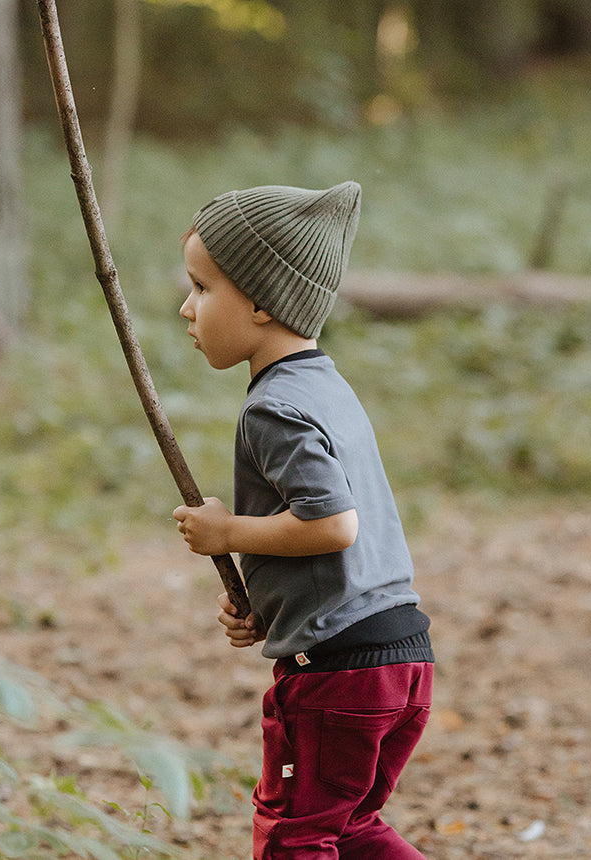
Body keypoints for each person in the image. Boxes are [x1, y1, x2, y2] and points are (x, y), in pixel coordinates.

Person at [173, 181, 434, 859]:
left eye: (202, 289)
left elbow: (332, 524)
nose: (186, 308)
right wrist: (272, 605)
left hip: (336, 676)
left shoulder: (274, 408)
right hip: (398, 659)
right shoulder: (326, 387)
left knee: (295, 838)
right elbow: (342, 550)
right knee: (347, 829)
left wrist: (226, 533)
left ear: (261, 302)